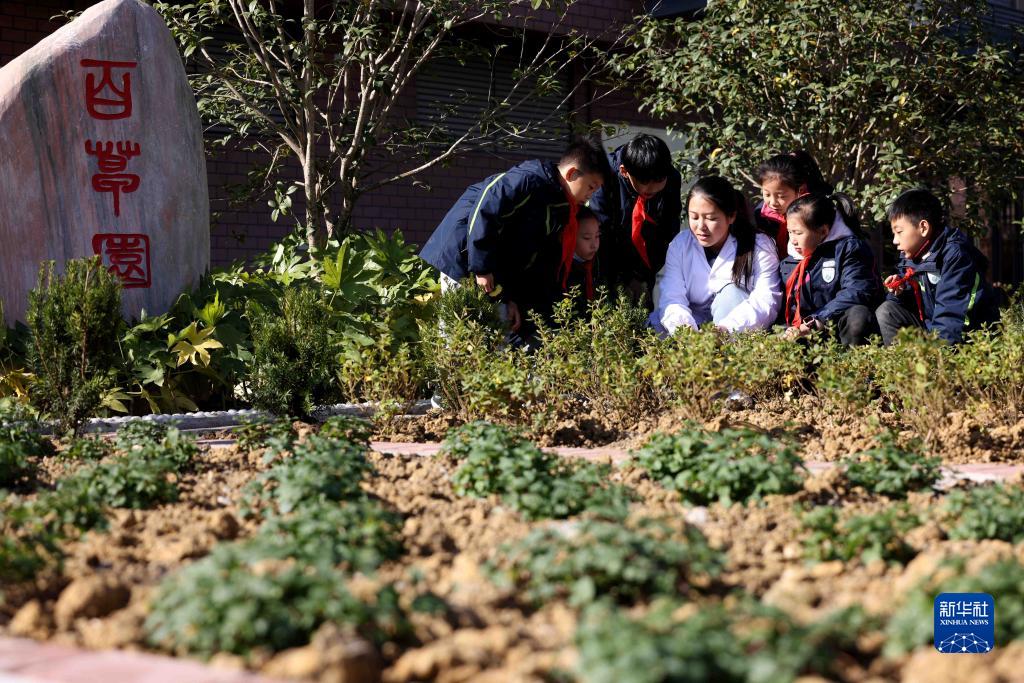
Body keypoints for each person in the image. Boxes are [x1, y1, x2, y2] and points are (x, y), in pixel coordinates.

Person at [419, 137, 608, 331]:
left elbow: (524, 254)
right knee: (458, 336)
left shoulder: (559, 203)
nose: (590, 195)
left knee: (491, 340)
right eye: (591, 187)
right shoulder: (527, 179)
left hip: (490, 271)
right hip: (462, 258)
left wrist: (510, 297)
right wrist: (481, 269)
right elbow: (485, 211)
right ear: (572, 173)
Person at [651, 175, 781, 334]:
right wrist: (685, 331)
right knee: (656, 322)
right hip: (693, 327)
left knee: (731, 294)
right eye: (694, 217)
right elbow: (672, 296)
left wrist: (725, 330)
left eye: (711, 218)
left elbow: (767, 299)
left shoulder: (759, 245)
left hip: (737, 328)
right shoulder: (680, 245)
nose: (701, 226)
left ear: (731, 216)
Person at [875, 189, 999, 345]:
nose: (895, 241)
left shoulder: (955, 256)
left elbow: (951, 314)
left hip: (970, 338)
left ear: (923, 228)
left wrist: (938, 359)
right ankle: (902, 366)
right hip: (933, 330)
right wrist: (900, 292)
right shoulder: (912, 256)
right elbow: (914, 303)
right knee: (887, 311)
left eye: (899, 232)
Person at [589, 133, 682, 308]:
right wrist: (622, 277)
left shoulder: (671, 178)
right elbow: (602, 231)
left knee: (641, 313)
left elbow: (668, 230)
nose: (652, 188)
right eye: (645, 181)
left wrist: (642, 276)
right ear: (624, 171)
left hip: (645, 263)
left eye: (659, 180)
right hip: (605, 261)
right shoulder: (605, 174)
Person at [778, 193, 879, 345]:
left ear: (823, 231)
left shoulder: (848, 249)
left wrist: (817, 320)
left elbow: (857, 289)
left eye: (798, 233)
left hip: (835, 329)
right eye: (790, 232)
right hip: (804, 332)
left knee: (858, 315)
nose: (792, 240)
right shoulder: (789, 262)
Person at [510, 207, 602, 348]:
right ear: (567, 236)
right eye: (587, 238)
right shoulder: (551, 265)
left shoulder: (594, 263)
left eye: (597, 236)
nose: (594, 245)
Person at [754, 151, 832, 259]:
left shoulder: (815, 212)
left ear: (801, 190)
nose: (772, 203)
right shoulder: (762, 215)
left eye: (781, 196)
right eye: (766, 194)